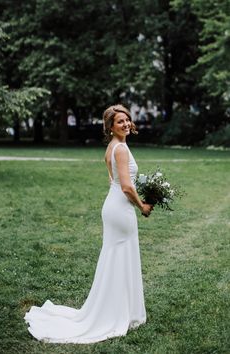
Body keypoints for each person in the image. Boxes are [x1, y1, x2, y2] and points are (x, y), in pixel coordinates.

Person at [24, 104, 153, 344]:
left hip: (112, 206)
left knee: (115, 258)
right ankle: (117, 313)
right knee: (120, 257)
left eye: (127, 120)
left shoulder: (112, 147)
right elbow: (125, 186)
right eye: (119, 122)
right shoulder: (121, 149)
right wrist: (142, 205)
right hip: (121, 207)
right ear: (110, 127)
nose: (125, 124)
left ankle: (119, 309)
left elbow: (113, 179)